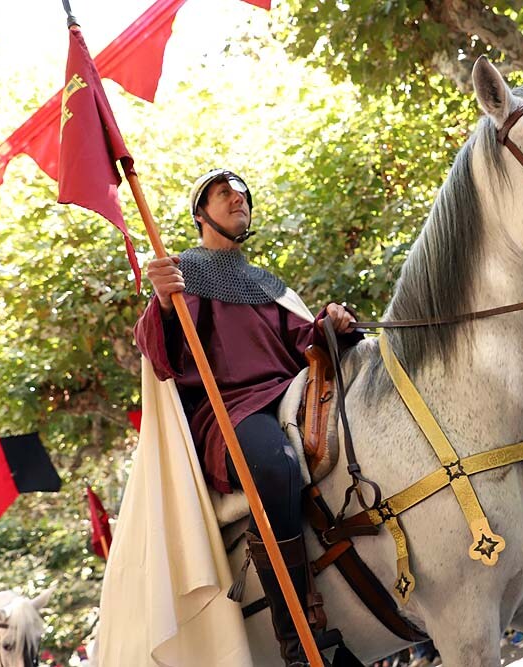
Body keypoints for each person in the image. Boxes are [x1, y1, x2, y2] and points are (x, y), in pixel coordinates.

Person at [134, 168, 361, 666]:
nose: (237, 199)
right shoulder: (185, 273)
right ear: (201, 215)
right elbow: (159, 353)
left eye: (242, 194)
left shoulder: (264, 283)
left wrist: (330, 323)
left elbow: (303, 343)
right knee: (275, 463)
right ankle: (296, 634)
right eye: (223, 194)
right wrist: (165, 304)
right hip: (231, 413)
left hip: (292, 394)